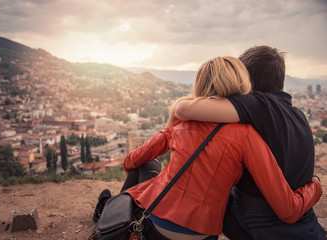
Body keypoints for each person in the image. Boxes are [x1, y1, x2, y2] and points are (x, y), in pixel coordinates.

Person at [93, 56, 322, 240]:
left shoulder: (182, 122)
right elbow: (287, 208)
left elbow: (135, 159)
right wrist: (315, 185)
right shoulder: (248, 135)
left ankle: (108, 211)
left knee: (147, 165)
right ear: (242, 84)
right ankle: (108, 207)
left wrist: (132, 166)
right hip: (204, 233)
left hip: (156, 226)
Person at [174, 46, 326, 239]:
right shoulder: (299, 115)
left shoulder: (259, 104)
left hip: (257, 223)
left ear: (246, 79)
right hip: (304, 225)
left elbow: (184, 110)